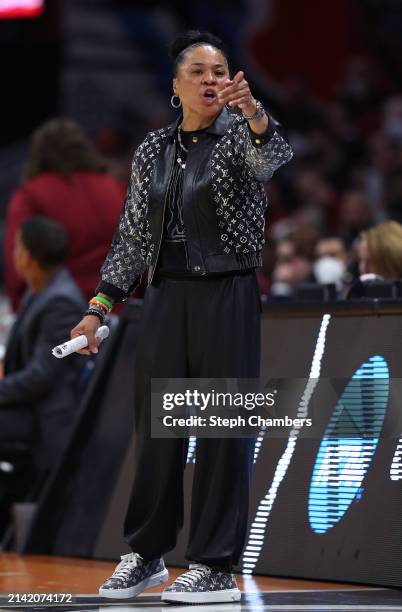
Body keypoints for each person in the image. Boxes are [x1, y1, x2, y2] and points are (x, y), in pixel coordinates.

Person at [71, 30, 293, 605]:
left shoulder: (242, 133)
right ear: (176, 86)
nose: (211, 79)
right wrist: (98, 308)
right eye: (197, 71)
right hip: (166, 296)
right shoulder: (152, 149)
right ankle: (146, 557)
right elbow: (129, 238)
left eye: (219, 70)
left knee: (222, 430)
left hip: (228, 292)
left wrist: (257, 113)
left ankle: (216, 565)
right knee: (158, 432)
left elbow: (272, 159)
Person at [4, 118, 126, 311]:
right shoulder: (116, 189)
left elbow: (19, 264)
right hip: (116, 316)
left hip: (58, 315)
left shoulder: (31, 195)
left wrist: (21, 316)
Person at [0, 217, 87, 472]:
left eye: (17, 246)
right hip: (27, 403)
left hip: (43, 416)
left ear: (28, 257)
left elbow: (41, 377)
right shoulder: (43, 287)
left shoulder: (61, 302)